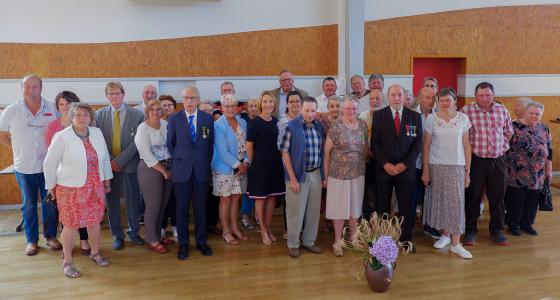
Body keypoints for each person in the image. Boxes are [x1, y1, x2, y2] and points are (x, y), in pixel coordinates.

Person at [44, 102, 112, 277]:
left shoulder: (96, 133)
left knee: (94, 221)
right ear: (71, 117)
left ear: (91, 117)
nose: (82, 118)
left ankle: (95, 253)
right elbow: (49, 163)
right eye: (78, 115)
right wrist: (50, 186)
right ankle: (67, 262)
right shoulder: (62, 136)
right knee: (71, 224)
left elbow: (103, 159)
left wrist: (106, 181)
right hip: (70, 188)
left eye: (86, 115)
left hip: (95, 185)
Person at [0, 74, 61, 256]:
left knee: (50, 203)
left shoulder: (53, 108)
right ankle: (32, 240)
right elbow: (2, 135)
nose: (31, 90)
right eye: (27, 86)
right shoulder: (11, 110)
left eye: (35, 86)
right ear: (22, 88)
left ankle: (50, 236)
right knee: (29, 205)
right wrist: (19, 148)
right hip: (24, 167)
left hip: (48, 167)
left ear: (41, 88)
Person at [421, 88, 473, 259]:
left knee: (456, 204)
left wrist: (467, 172)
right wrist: (426, 171)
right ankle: (444, 235)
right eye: (441, 100)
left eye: (447, 100)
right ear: (437, 101)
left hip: (456, 166)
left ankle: (456, 243)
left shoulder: (463, 119)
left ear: (454, 100)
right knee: (441, 202)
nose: (444, 103)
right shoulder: (431, 119)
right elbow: (426, 146)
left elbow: (466, 146)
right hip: (436, 166)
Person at [461, 82, 513, 246]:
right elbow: (462, 137)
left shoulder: (502, 110)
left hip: (498, 161)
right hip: (476, 161)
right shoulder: (466, 111)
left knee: (497, 198)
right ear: (475, 95)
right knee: (473, 197)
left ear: (493, 95)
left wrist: (500, 147)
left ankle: (497, 230)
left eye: (488, 95)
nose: (485, 99)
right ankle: (470, 230)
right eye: (481, 95)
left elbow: (508, 132)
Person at [372, 84, 422, 252]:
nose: (396, 98)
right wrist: (385, 164)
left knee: (406, 208)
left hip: (405, 171)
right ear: (388, 96)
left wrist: (403, 164)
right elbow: (375, 143)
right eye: (393, 95)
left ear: (405, 96)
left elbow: (417, 144)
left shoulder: (415, 117)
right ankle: (383, 242)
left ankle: (406, 240)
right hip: (383, 170)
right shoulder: (378, 116)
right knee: (382, 207)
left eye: (399, 95)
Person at [95, 81, 145, 250]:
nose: (114, 96)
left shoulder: (137, 114)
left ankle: (134, 232)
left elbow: (138, 141)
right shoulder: (98, 115)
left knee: (132, 201)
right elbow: (98, 141)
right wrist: (111, 161)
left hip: (129, 165)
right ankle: (117, 235)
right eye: (110, 94)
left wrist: (120, 161)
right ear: (106, 96)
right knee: (112, 202)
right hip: (108, 166)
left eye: (117, 93)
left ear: (123, 94)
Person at [167, 86, 214, 260]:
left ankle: (201, 242)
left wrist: (201, 162)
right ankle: (184, 244)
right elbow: (170, 144)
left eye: (192, 98)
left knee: (201, 207)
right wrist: (182, 160)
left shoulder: (207, 119)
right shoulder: (174, 119)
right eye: (186, 98)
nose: (189, 101)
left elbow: (210, 145)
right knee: (181, 208)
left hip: (201, 170)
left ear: (198, 99)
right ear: (182, 99)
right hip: (181, 171)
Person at [45, 91, 91, 255]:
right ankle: (68, 246)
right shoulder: (52, 127)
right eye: (61, 104)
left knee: (83, 210)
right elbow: (51, 158)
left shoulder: (85, 124)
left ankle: (84, 240)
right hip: (63, 179)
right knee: (66, 214)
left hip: (84, 177)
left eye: (68, 103)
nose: (65, 107)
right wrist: (52, 183)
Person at [281, 96, 326, 258]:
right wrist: (292, 178)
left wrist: (323, 175)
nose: (310, 114)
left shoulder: (319, 127)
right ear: (301, 110)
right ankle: (293, 243)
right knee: (295, 211)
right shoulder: (291, 127)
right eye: (307, 110)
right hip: (297, 175)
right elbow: (285, 153)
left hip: (315, 173)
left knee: (313, 211)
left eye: (313, 110)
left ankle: (309, 241)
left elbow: (323, 152)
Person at [324, 98, 368, 257]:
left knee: (355, 207)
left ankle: (354, 238)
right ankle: (337, 241)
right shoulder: (336, 125)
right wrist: (326, 175)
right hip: (338, 174)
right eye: (348, 109)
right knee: (338, 208)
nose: (351, 112)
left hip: (358, 173)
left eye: (354, 109)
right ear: (343, 109)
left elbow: (365, 147)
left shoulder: (362, 125)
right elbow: (327, 151)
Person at [505, 101, 552, 236]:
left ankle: (527, 224)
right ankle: (513, 224)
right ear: (525, 112)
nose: (534, 116)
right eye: (531, 113)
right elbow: (505, 146)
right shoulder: (514, 126)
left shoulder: (544, 128)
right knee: (516, 199)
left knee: (533, 201)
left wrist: (549, 169)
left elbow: (549, 149)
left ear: (541, 115)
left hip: (537, 173)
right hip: (516, 170)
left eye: (537, 114)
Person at [246, 91, 285, 245]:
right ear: (261, 104)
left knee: (272, 197)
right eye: (265, 101)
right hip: (260, 165)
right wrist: (255, 162)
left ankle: (267, 228)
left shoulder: (276, 121)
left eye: (271, 101)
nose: (268, 104)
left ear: (274, 104)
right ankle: (262, 230)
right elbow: (249, 146)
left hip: (274, 163)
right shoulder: (255, 123)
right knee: (261, 199)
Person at [135, 99, 173, 254]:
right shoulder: (142, 128)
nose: (156, 112)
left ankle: (158, 235)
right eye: (152, 109)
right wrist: (163, 171)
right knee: (153, 206)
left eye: (159, 109)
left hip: (168, 166)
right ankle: (152, 239)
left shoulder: (165, 125)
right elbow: (146, 154)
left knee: (162, 204)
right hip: (150, 169)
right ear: (147, 111)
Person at [212, 94, 250, 245]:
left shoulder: (242, 122)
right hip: (224, 168)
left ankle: (235, 228)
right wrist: (238, 165)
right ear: (221, 107)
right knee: (225, 200)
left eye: (233, 105)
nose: (230, 108)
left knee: (236, 199)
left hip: (242, 167)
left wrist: (246, 162)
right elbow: (222, 151)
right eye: (227, 106)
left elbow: (248, 144)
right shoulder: (218, 125)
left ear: (237, 107)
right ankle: (226, 231)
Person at [412, 87, 440, 239]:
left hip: (433, 162)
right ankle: (408, 227)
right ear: (420, 98)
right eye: (426, 97)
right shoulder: (411, 114)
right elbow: (410, 139)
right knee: (414, 195)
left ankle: (429, 226)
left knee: (431, 196)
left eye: (432, 98)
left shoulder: (438, 115)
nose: (430, 101)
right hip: (415, 163)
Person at [358, 89, 383, 220]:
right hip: (366, 158)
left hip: (382, 160)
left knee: (380, 190)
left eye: (377, 98)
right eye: (372, 98)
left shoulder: (386, 115)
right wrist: (367, 151)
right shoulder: (362, 116)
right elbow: (360, 137)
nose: (374, 101)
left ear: (382, 100)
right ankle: (366, 217)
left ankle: (378, 218)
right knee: (365, 190)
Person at [158, 95, 177, 239]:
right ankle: (162, 226)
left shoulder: (179, 121)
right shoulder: (156, 123)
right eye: (164, 105)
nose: (167, 107)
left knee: (175, 197)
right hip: (161, 165)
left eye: (170, 105)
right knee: (162, 197)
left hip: (177, 164)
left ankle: (176, 225)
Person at [240, 97, 260, 230]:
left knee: (259, 189)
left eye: (256, 106)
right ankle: (245, 215)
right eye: (251, 106)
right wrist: (248, 161)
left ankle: (258, 215)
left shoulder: (263, 119)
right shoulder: (243, 122)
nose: (253, 108)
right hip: (248, 160)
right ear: (247, 108)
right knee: (247, 190)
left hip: (261, 160)